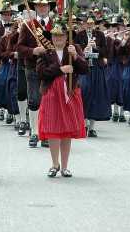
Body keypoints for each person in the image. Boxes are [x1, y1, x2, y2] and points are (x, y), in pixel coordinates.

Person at [37, 21, 88, 178]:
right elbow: (41, 73)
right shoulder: (46, 52)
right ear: (52, 37)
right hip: (51, 93)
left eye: (61, 35)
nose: (58, 38)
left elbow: (84, 69)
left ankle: (65, 166)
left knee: (67, 130)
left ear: (67, 37)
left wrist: (75, 57)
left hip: (70, 92)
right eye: (55, 35)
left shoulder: (74, 49)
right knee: (53, 129)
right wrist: (60, 70)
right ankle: (54, 164)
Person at [17, 0, 54, 148]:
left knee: (49, 100)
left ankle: (46, 132)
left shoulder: (57, 24)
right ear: (35, 7)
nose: (42, 8)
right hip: (33, 66)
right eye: (39, 5)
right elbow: (19, 47)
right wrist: (33, 51)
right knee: (34, 100)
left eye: (45, 5)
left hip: (53, 68)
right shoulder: (28, 25)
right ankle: (34, 131)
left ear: (49, 7)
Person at [74, 15, 111, 137]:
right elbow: (76, 50)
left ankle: (92, 127)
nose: (89, 25)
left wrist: (96, 47)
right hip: (84, 67)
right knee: (84, 93)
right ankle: (83, 124)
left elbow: (106, 52)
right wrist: (85, 49)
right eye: (87, 23)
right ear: (84, 24)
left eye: (91, 23)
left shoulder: (100, 35)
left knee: (96, 94)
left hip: (97, 67)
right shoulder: (79, 35)